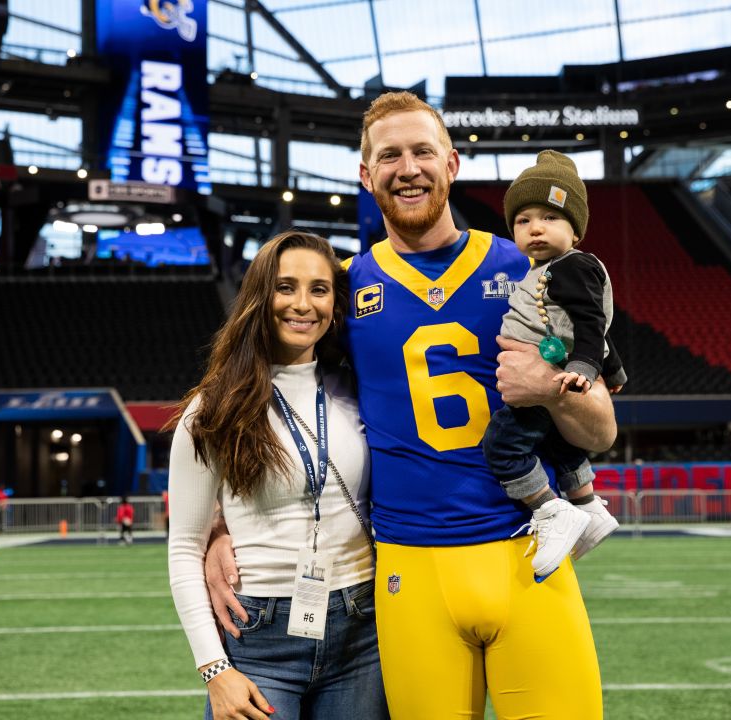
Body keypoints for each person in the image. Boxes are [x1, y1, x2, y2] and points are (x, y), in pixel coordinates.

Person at [206, 92, 617, 719]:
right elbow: (251, 393)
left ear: (451, 163)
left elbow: (602, 429)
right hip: (408, 569)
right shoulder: (345, 289)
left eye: (423, 151)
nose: (409, 168)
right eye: (389, 155)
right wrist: (213, 524)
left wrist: (544, 388)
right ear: (367, 175)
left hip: (524, 549)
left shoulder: (528, 264)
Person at [167, 231, 388, 720]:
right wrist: (214, 670)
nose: (302, 305)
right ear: (258, 296)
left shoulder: (360, 389)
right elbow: (184, 547)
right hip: (259, 634)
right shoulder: (212, 409)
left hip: (363, 631)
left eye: (319, 289)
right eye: (285, 287)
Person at [481, 149, 627, 581]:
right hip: (559, 369)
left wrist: (586, 365)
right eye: (523, 221)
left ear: (576, 231)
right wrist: (613, 369)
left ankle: (548, 508)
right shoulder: (550, 268)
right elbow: (598, 327)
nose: (535, 228)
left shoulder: (570, 267)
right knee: (559, 446)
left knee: (502, 447)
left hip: (551, 376)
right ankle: (587, 506)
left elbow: (590, 322)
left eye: (550, 218)